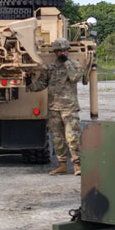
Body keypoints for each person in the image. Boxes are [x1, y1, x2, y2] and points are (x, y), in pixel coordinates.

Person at [28, 38, 83, 176]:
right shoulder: (50, 68)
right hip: (54, 108)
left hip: (69, 108)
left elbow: (75, 78)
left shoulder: (74, 65)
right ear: (55, 52)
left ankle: (77, 165)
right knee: (57, 139)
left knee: (72, 137)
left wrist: (66, 64)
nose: (62, 53)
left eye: (64, 50)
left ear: (68, 51)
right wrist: (28, 82)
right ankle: (62, 165)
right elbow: (41, 84)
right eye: (59, 51)